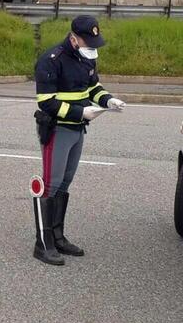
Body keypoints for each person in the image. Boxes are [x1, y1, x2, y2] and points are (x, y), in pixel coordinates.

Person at [32, 15, 126, 266]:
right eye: (89, 42)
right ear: (74, 38)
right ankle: (43, 243)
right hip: (58, 128)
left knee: (65, 181)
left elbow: (93, 87)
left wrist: (108, 100)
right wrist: (80, 112)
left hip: (78, 128)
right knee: (51, 184)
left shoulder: (86, 58)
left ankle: (58, 236)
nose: (93, 48)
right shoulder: (51, 60)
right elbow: (46, 102)